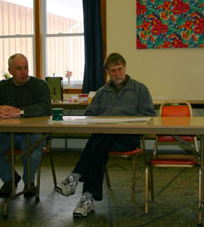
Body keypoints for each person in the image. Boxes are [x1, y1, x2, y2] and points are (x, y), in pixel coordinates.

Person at [55, 52, 156, 218]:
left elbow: (149, 116)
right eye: (113, 71)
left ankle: (75, 177)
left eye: (119, 69)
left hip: (128, 139)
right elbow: (89, 115)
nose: (117, 74)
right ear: (108, 72)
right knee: (100, 148)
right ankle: (86, 199)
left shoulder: (140, 89)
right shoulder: (102, 92)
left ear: (125, 67)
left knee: (99, 142)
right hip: (105, 138)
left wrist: (125, 122)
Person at [0, 53, 51, 198]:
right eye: (19, 69)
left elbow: (45, 108)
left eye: (26, 68)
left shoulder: (40, 85)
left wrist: (20, 112)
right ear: (10, 71)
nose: (24, 72)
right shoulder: (2, 86)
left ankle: (29, 183)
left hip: (33, 133)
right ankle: (10, 178)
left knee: (30, 150)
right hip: (7, 133)